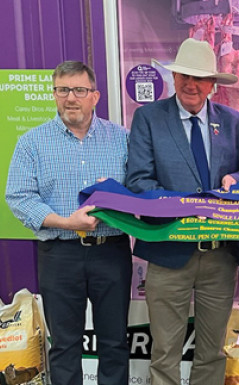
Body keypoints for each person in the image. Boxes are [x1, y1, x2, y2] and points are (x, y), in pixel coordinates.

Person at [125, 38, 239, 385]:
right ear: (174, 77)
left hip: (220, 255)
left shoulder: (234, 121)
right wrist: (185, 207)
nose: (190, 84)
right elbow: (138, 181)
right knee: (164, 352)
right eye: (183, 75)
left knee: (211, 353)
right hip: (168, 252)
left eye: (199, 78)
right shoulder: (148, 118)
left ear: (212, 84)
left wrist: (235, 178)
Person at [5, 61, 132, 385]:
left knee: (115, 344)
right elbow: (19, 197)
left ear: (95, 96)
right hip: (59, 256)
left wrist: (118, 195)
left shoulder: (123, 139)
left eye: (79, 90)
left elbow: (140, 189)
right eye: (63, 90)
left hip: (111, 252)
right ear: (54, 94)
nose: (70, 98)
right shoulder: (32, 143)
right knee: (64, 346)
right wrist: (66, 221)